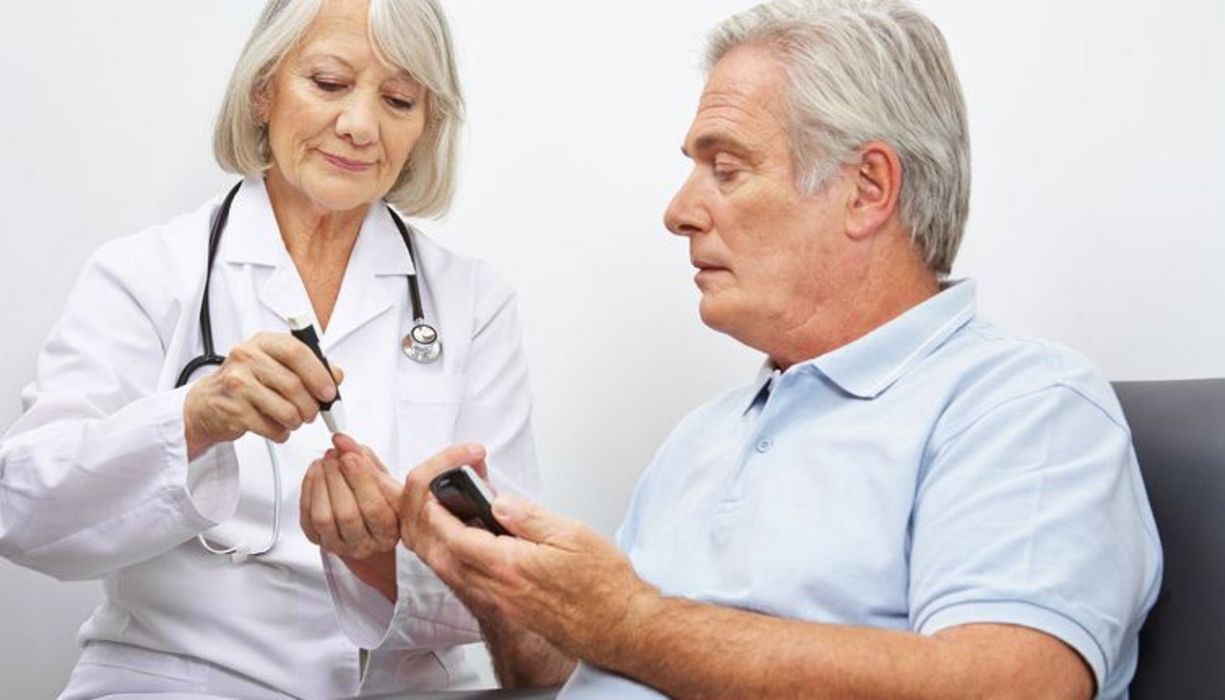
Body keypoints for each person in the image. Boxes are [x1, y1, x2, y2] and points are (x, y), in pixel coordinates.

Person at [307, 0, 1162, 697]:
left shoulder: (1022, 405)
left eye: (726, 168)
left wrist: (626, 618)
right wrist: (504, 590)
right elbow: (575, 673)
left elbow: (1014, 685)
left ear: (867, 189)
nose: (679, 211)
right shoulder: (706, 436)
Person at [0, 0, 538, 697]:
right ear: (263, 90)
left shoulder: (472, 301)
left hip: (407, 686)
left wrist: (380, 560)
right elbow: (23, 512)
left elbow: (517, 584)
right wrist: (192, 421)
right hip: (177, 678)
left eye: (399, 100)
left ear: (424, 127)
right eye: (329, 83)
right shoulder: (147, 272)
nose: (360, 125)